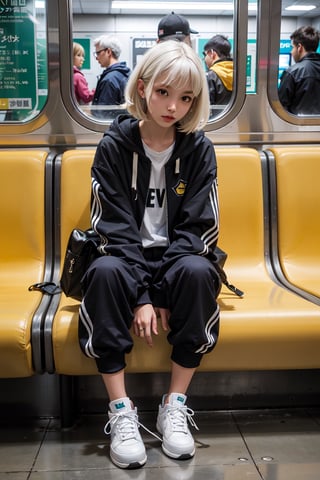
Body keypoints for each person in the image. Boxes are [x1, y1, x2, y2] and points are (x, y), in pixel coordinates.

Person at [79, 40, 221, 469]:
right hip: (124, 255)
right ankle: (121, 409)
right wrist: (142, 295)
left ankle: (175, 403)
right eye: (163, 92)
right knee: (103, 274)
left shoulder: (199, 150)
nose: (173, 106)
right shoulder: (114, 145)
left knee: (198, 272)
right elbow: (114, 227)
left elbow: (198, 228)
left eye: (185, 98)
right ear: (142, 88)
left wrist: (159, 293)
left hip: (176, 257)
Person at [278, 26, 320, 115]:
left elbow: (281, 107)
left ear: (299, 47)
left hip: (298, 126)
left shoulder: (292, 72)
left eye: (292, 47)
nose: (291, 52)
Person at [91, 35, 131, 119]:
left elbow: (102, 115)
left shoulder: (109, 79)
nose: (96, 58)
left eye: (98, 53)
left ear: (108, 52)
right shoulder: (125, 73)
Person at [203, 35, 233, 106]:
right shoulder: (239, 74)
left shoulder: (210, 76)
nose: (204, 58)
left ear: (212, 54)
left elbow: (207, 107)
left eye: (205, 54)